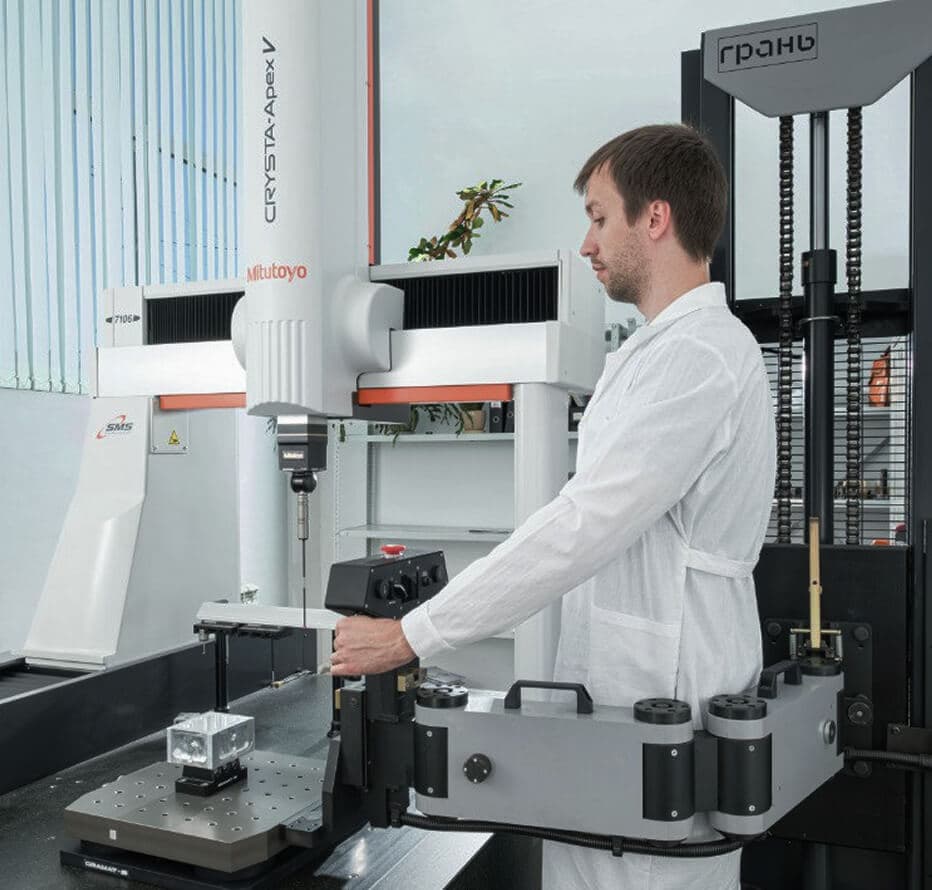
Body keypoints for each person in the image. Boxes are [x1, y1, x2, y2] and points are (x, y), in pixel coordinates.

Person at [331, 123, 776, 890]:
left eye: (599, 217)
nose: (587, 244)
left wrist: (410, 635)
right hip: (625, 717)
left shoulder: (698, 357)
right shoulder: (660, 350)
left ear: (656, 217)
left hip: (660, 711)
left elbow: (583, 526)